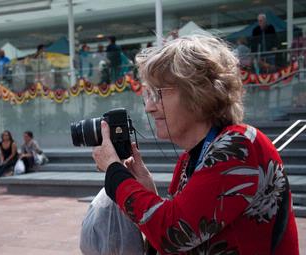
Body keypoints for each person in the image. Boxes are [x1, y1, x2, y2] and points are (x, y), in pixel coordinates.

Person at [92, 34, 299, 254]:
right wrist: (147, 190)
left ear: (197, 93)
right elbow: (186, 233)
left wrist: (115, 173)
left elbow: (173, 233)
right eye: (148, 95)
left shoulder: (240, 145)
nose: (149, 107)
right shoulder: (191, 158)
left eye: (158, 94)